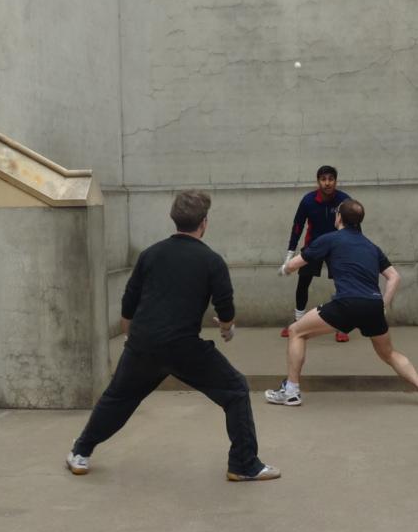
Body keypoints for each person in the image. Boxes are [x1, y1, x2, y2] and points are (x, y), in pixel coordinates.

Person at [66, 190, 280, 482]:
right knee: (236, 390)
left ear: (174, 219)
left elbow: (129, 301)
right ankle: (243, 464)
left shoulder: (150, 254)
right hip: (184, 347)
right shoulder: (211, 260)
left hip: (143, 344)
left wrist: (133, 339)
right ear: (204, 222)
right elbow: (225, 306)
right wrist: (227, 327)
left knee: (118, 398)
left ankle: (80, 452)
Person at [265, 198, 418, 408]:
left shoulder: (330, 239)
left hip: (347, 304)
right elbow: (394, 277)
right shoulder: (371, 246)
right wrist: (383, 304)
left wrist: (284, 269)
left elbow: (296, 263)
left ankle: (291, 392)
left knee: (296, 331)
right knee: (389, 353)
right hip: (373, 306)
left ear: (339, 217)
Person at [281, 165, 352, 342]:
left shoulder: (345, 200)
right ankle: (298, 323)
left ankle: (343, 326)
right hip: (313, 246)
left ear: (336, 181)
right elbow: (298, 226)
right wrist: (290, 252)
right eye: (323, 179)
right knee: (303, 283)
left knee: (342, 285)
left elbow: (354, 225)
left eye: (331, 179)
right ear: (318, 181)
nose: (327, 183)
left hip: (338, 247)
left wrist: (355, 249)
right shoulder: (308, 201)